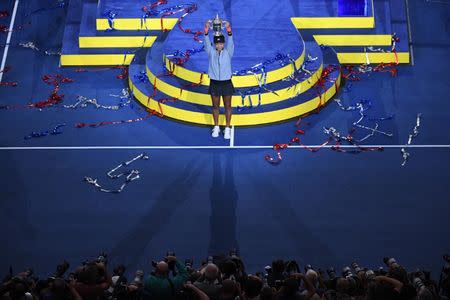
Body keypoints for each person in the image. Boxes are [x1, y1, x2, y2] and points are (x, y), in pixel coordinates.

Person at [204, 19, 235, 139]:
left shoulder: (228, 52)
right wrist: (206, 31)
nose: (219, 45)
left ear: (223, 44)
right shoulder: (210, 52)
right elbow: (207, 43)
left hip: (226, 83)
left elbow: (231, 42)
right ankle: (216, 126)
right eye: (217, 43)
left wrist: (229, 30)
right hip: (214, 84)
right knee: (215, 106)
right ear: (215, 44)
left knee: (228, 106)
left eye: (221, 43)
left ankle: (227, 128)